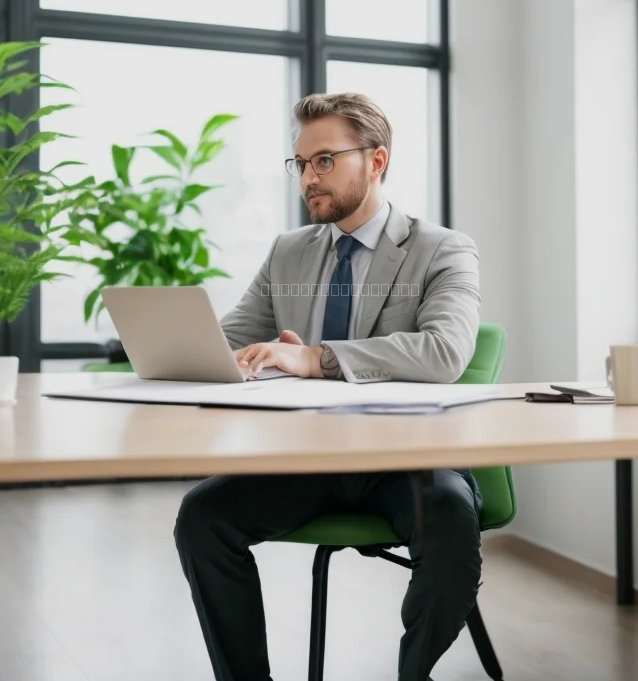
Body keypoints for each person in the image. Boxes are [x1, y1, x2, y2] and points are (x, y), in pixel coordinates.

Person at [174, 92, 483, 681]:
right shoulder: (288, 252)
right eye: (300, 163)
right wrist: (185, 347)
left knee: (449, 516)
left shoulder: (442, 249)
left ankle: (412, 673)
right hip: (307, 460)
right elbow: (229, 339)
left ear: (376, 161)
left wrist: (316, 359)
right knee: (202, 518)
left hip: (407, 459)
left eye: (324, 161)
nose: (307, 178)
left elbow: (444, 352)